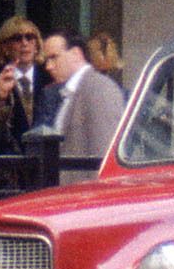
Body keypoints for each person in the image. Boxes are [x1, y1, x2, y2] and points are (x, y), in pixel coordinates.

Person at [35, 31, 124, 175]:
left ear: (76, 54)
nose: (48, 66)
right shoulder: (74, 91)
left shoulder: (99, 89)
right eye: (47, 60)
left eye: (54, 57)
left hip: (87, 192)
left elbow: (103, 154)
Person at [0, 16, 46, 150]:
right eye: (17, 38)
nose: (24, 43)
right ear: (5, 48)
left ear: (37, 45)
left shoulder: (49, 79)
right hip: (9, 163)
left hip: (46, 162)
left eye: (30, 37)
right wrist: (1, 98)